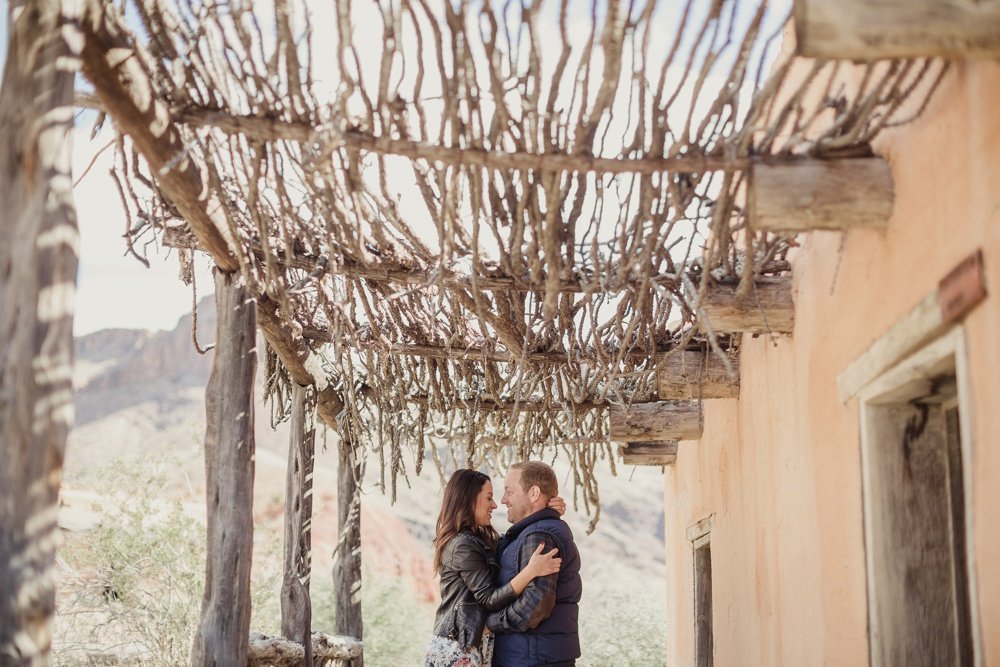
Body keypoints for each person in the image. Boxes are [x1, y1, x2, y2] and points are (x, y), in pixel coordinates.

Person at [426, 469, 564, 667]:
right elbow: (489, 599)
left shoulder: (481, 540)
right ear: (468, 500)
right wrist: (530, 571)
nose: (495, 504)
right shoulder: (462, 545)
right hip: (457, 648)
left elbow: (511, 544)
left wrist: (547, 509)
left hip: (471, 645)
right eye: (489, 498)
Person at [486, 461, 582, 667]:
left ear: (534, 493)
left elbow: (535, 607)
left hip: (533, 659)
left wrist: (488, 624)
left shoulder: (540, 536)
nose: (502, 500)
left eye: (509, 492)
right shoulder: (529, 533)